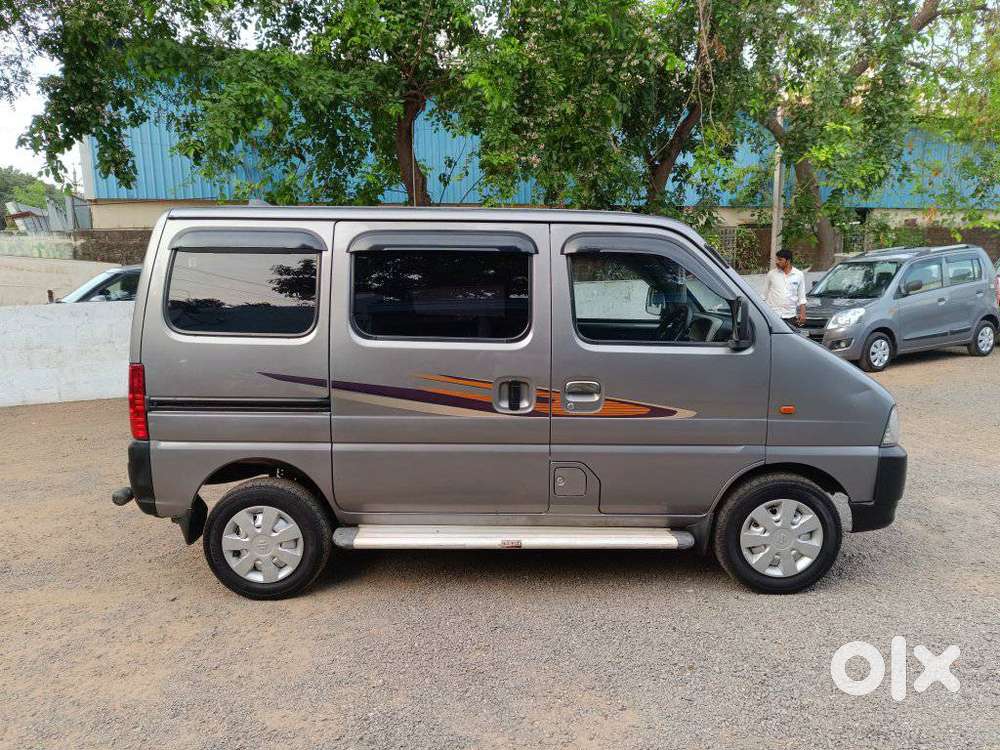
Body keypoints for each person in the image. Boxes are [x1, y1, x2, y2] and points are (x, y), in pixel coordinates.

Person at [763, 249, 807, 327]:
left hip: (790, 316)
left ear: (788, 261)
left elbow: (801, 297)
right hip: (773, 315)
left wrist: (802, 314)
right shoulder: (771, 274)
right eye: (777, 259)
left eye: (780, 260)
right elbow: (764, 296)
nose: (777, 262)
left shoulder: (799, 275)